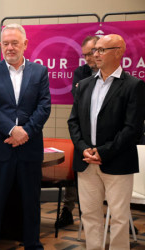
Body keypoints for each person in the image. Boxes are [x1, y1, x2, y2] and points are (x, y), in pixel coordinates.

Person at [68, 34, 145, 249]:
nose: (96, 54)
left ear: (119, 51)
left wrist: (103, 152)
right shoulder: (83, 85)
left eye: (102, 50)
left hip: (117, 162)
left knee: (119, 218)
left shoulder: (134, 85)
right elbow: (73, 122)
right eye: (95, 50)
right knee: (90, 215)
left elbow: (132, 129)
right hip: (86, 162)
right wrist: (84, 149)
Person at [0, 23, 51, 250]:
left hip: (29, 148)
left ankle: (33, 244)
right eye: (5, 43)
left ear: (25, 45)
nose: (10, 48)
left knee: (30, 201)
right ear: (0, 45)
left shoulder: (39, 72)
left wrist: (26, 132)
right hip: (0, 147)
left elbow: (44, 106)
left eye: (14, 43)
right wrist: (13, 130)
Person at [57, 35, 100, 229]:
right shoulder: (81, 72)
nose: (88, 59)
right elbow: (79, 98)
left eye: (91, 53)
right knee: (76, 173)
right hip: (82, 135)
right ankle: (68, 211)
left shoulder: (119, 76)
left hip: (106, 137)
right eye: (85, 55)